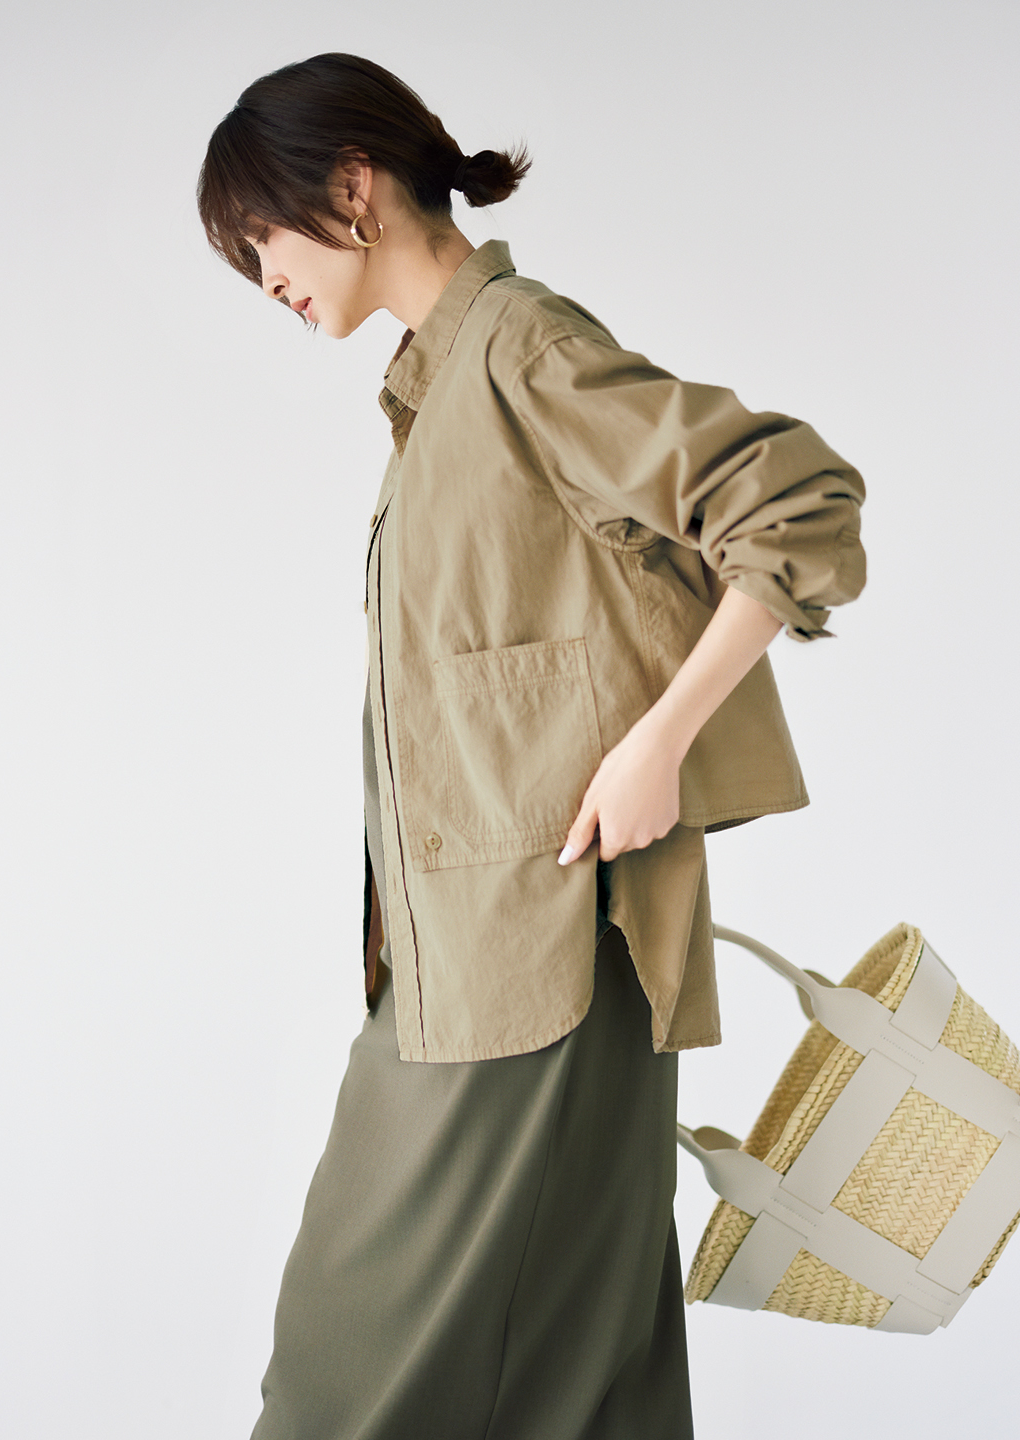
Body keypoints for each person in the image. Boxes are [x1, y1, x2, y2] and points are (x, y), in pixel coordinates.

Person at [197, 51, 867, 1440]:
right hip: (464, 970)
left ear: (352, 185)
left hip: (540, 972)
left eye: (260, 237)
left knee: (348, 1381)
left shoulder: (523, 353)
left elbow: (794, 498)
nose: (263, 278)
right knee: (584, 1372)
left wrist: (660, 744)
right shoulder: (437, 394)